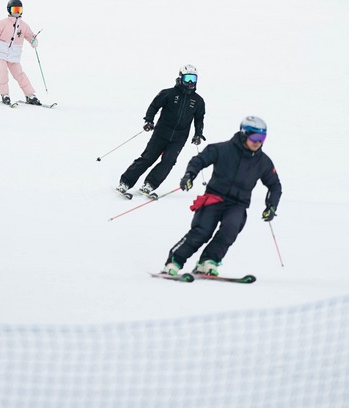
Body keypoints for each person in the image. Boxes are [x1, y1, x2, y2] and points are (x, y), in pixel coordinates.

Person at [162, 115, 282, 277]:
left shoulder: (263, 162)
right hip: (214, 198)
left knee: (230, 229)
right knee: (202, 231)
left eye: (262, 138)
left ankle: (208, 262)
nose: (258, 142)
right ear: (244, 134)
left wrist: (271, 206)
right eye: (254, 136)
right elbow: (199, 160)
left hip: (238, 204)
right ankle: (174, 262)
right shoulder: (222, 149)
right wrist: (190, 175)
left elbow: (275, 185)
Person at [116, 65, 205, 198]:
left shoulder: (198, 101)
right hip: (161, 133)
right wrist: (149, 120)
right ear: (181, 78)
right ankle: (125, 182)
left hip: (179, 138)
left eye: (193, 78)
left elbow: (199, 119)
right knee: (148, 158)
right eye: (188, 78)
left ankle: (150, 184)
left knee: (169, 161)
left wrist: (198, 134)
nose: (190, 82)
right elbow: (154, 106)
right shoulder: (168, 93)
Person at [0, 0, 41, 105]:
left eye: (19, 10)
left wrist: (33, 41)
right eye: (14, 9)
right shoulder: (2, 23)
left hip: (14, 55)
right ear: (9, 10)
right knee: (3, 72)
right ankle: (4, 94)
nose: (17, 12)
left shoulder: (23, 25)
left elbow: (30, 35)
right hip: (1, 52)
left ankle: (30, 95)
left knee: (20, 74)